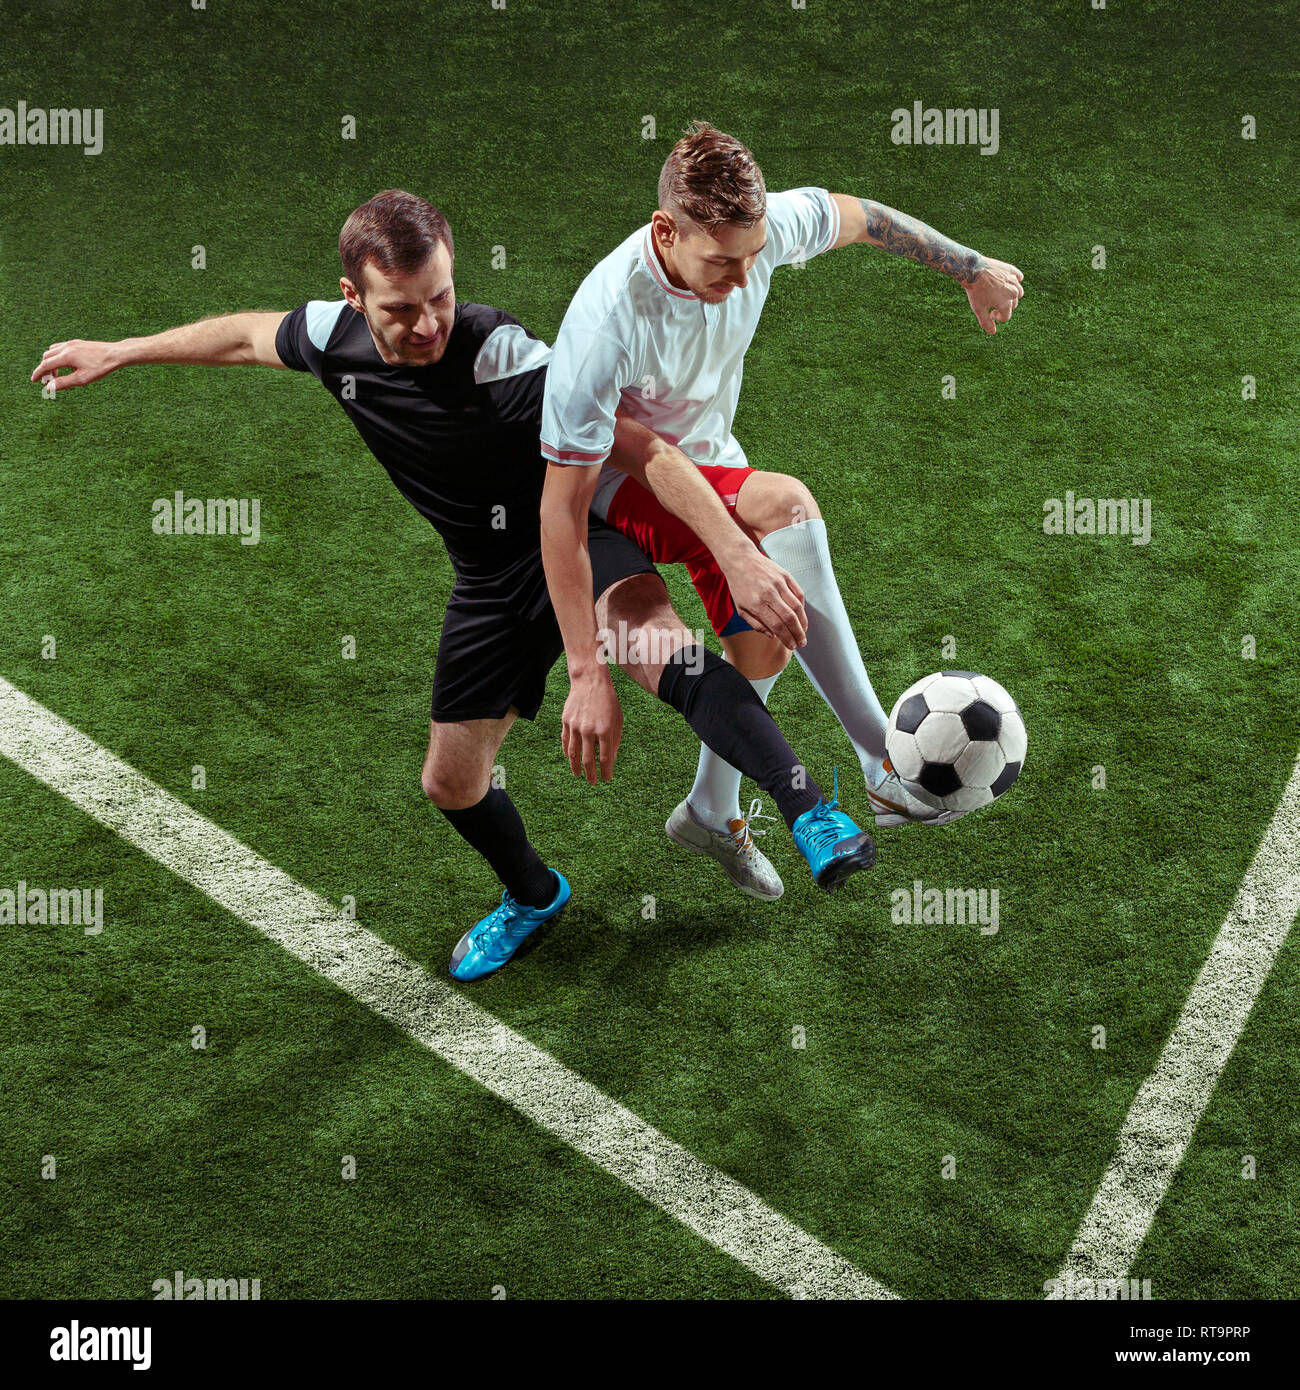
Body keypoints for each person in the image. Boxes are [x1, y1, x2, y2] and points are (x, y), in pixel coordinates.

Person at [31, 188, 877, 981]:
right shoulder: (333, 341)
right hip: (489, 579)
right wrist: (124, 350)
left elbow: (642, 451)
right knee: (451, 782)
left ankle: (811, 812)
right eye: (401, 308)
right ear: (355, 299)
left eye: (440, 295)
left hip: (577, 539)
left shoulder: (501, 355)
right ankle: (535, 894)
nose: (430, 321)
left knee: (665, 654)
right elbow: (249, 335)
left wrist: (720, 559)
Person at [540, 121, 1026, 887]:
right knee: (789, 506)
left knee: (765, 640)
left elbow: (863, 218)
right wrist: (585, 671)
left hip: (709, 466)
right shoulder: (604, 327)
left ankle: (708, 809)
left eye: (756, 254)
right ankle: (880, 760)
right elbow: (560, 512)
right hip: (620, 491)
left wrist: (970, 270)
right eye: (723, 262)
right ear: (665, 231)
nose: (743, 278)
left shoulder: (757, 237)